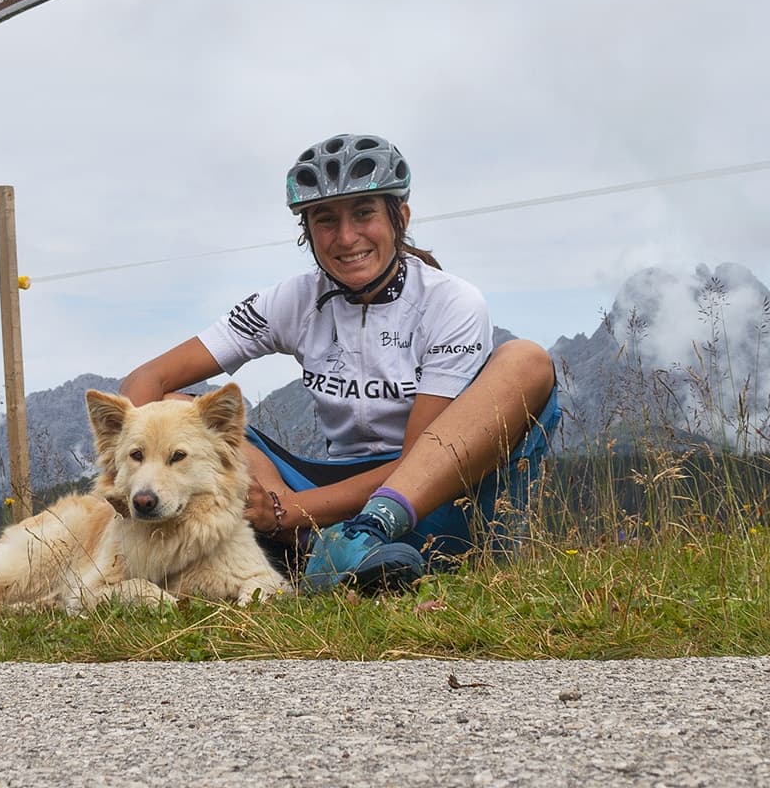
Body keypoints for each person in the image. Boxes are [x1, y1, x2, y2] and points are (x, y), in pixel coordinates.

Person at [118, 134, 560, 593]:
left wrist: (289, 512)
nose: (346, 238)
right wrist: (125, 475)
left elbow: (417, 460)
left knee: (526, 359)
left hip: (431, 499)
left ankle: (356, 538)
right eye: (326, 220)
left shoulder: (451, 302)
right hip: (321, 495)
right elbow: (151, 378)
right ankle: (324, 551)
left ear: (400, 218)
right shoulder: (293, 299)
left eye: (365, 213)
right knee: (178, 410)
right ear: (307, 233)